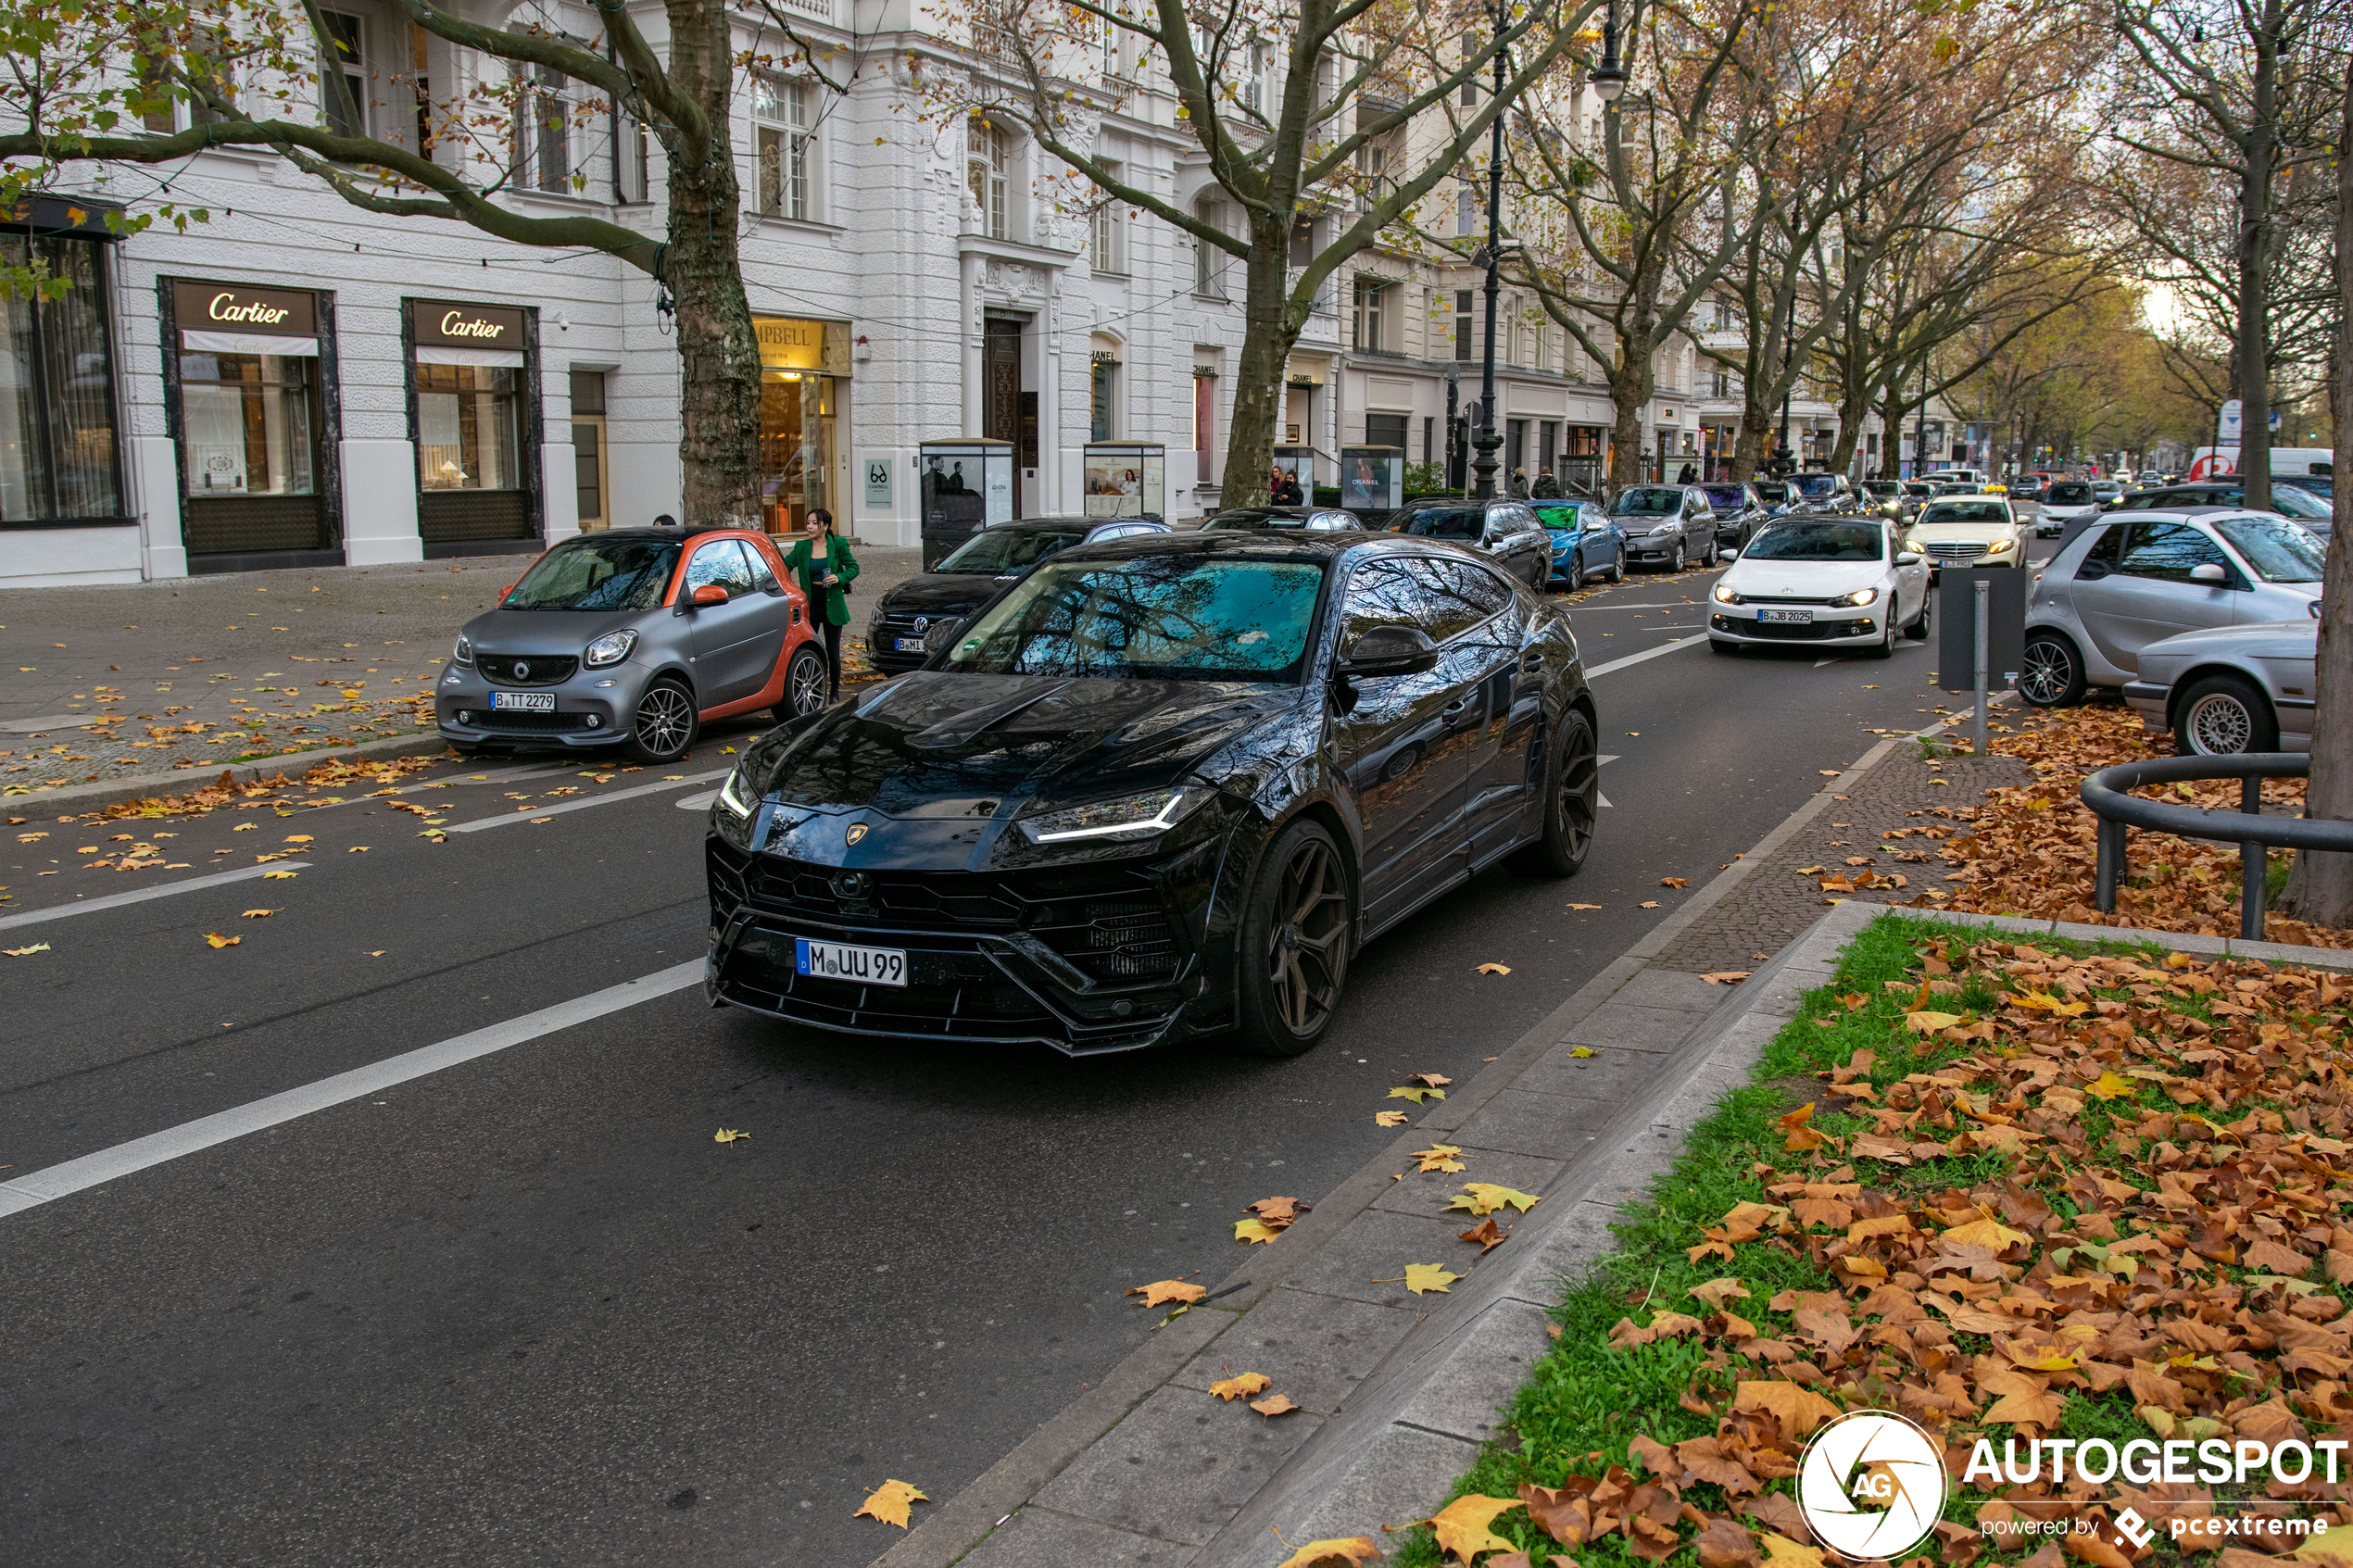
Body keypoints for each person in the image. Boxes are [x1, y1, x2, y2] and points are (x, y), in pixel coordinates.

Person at [782, 508, 860, 701]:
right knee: (810, 648)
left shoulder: (838, 544)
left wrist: (839, 577)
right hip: (811, 602)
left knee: (833, 651)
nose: (810, 527)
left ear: (825, 526)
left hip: (832, 601)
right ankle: (815, 690)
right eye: (808, 523)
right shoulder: (801, 547)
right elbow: (784, 566)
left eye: (814, 523)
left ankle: (834, 693)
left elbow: (853, 567)